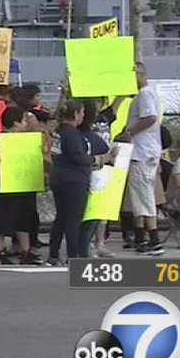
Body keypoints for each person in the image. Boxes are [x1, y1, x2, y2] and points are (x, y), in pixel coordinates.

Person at [0, 105, 43, 265]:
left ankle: (25, 251)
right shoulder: (0, 139)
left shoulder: (26, 140)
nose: (26, 123)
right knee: (3, 219)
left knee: (23, 218)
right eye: (23, 120)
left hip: (22, 183)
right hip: (6, 185)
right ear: (15, 123)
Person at [120, 62, 164, 255]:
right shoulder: (147, 93)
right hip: (146, 151)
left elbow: (150, 118)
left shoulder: (145, 94)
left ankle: (154, 238)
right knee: (137, 196)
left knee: (144, 196)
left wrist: (129, 132)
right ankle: (140, 235)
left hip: (142, 152)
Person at [48, 100, 93, 263]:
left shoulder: (58, 131)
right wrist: (96, 159)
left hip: (58, 177)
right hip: (74, 179)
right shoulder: (71, 133)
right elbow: (78, 157)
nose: (83, 116)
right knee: (74, 219)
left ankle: (53, 254)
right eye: (81, 113)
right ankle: (72, 255)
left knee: (61, 217)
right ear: (75, 115)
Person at [79, 101, 116, 259]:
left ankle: (93, 245)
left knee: (96, 215)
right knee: (90, 216)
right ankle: (84, 247)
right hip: (90, 175)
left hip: (97, 174)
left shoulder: (102, 120)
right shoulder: (84, 134)